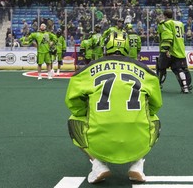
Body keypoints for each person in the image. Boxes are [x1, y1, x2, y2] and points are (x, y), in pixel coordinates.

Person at [65, 31, 162, 184]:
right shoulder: (147, 72)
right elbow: (156, 106)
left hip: (99, 140)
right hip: (137, 140)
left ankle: (98, 164)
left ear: (105, 48)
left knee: (74, 121)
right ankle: (137, 164)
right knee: (154, 119)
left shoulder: (85, 71)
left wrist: (88, 112)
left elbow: (73, 104)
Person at [156, 9, 193, 93]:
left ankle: (158, 85)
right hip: (180, 49)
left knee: (161, 67)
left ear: (165, 16)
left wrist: (166, 50)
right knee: (179, 69)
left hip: (170, 50)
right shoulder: (180, 23)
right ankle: (185, 87)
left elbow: (167, 37)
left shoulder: (165, 24)